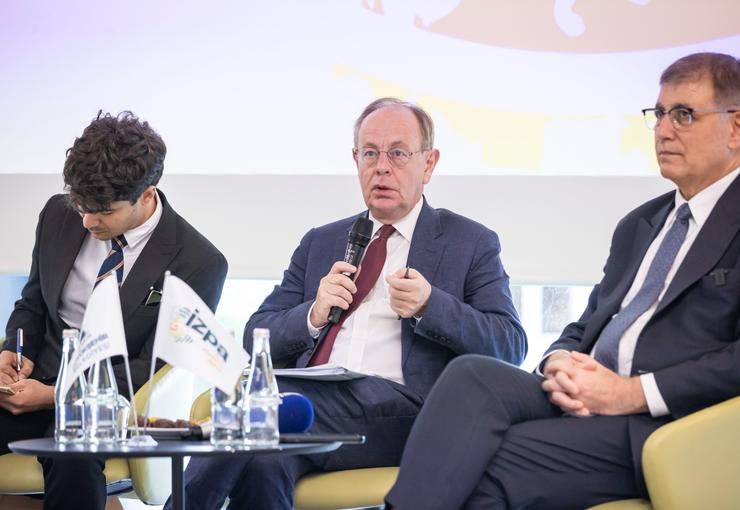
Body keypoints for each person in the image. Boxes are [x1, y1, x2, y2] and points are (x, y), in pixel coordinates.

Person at [385, 52, 740, 509]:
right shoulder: (641, 224)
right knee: (471, 375)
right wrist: (558, 361)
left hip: (669, 426)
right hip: (586, 397)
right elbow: (587, 323)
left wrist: (629, 394)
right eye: (659, 114)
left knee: (479, 460)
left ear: (735, 127)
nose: (664, 130)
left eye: (685, 115)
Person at [171, 97, 527, 509]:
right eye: (370, 153)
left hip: (405, 415)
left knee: (260, 403)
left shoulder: (470, 242)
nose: (382, 167)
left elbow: (510, 345)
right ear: (356, 160)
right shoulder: (321, 241)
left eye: (398, 153)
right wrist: (313, 314)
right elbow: (256, 336)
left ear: (428, 164)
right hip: (309, 406)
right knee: (263, 465)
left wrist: (431, 305)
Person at [0, 111, 228, 510]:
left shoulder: (199, 261)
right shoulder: (58, 214)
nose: (88, 220)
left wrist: (56, 396)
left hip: (110, 403)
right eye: (81, 205)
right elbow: (32, 304)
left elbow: (152, 367)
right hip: (33, 380)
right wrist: (13, 352)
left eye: (104, 211)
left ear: (147, 194)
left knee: (74, 455)